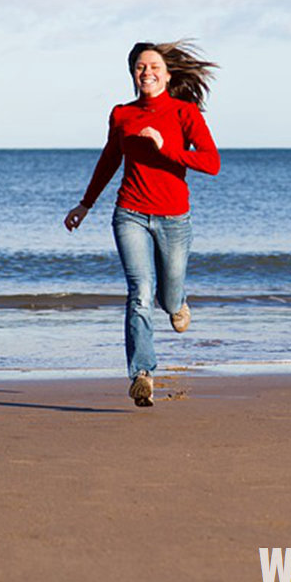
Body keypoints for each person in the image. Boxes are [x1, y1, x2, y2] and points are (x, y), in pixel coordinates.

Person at [64, 40, 220, 407]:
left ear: (167, 74)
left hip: (174, 217)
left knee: (166, 298)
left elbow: (212, 162)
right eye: (139, 67)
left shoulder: (185, 113)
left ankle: (178, 301)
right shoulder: (122, 114)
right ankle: (142, 374)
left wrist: (167, 148)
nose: (146, 72)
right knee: (140, 291)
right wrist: (85, 204)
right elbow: (108, 161)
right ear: (133, 74)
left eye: (153, 66)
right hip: (130, 213)